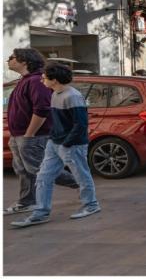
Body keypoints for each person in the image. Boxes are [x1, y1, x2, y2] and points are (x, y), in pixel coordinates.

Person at [11, 62, 100, 228]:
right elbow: (58, 122)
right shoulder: (55, 94)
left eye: (45, 77)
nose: (42, 80)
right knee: (43, 177)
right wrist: (52, 140)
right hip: (55, 143)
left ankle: (91, 205)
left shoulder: (72, 96)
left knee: (81, 175)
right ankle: (41, 212)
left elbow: (80, 124)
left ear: (55, 80)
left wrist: (66, 144)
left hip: (72, 145)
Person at [5, 49, 76, 216]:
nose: (8, 60)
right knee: (23, 171)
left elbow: (42, 109)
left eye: (12, 57)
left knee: (40, 170)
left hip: (33, 136)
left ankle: (80, 182)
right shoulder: (25, 80)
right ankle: (27, 202)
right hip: (19, 135)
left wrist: (29, 134)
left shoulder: (36, 81)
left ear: (24, 61)